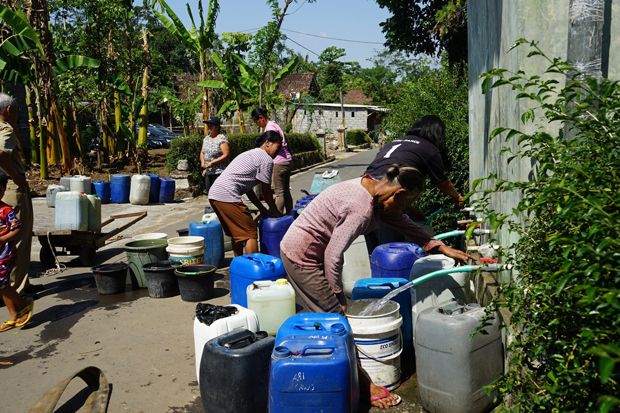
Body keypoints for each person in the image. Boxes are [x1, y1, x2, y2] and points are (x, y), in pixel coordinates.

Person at [280, 165, 474, 409]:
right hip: (303, 255)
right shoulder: (360, 207)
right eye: (405, 203)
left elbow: (404, 223)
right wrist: (338, 294)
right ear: (399, 193)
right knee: (338, 321)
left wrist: (438, 246)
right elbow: (333, 255)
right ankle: (363, 385)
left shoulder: (374, 189)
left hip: (308, 250)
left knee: (324, 317)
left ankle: (320, 371)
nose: (403, 209)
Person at [364, 115, 465, 251]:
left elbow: (397, 189)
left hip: (366, 189)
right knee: (392, 250)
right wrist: (457, 197)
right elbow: (442, 183)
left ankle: (379, 269)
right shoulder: (429, 148)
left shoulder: (395, 142)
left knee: (377, 250)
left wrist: (410, 210)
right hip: (386, 195)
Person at [208, 131, 282, 256]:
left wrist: (261, 208)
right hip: (227, 195)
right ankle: (252, 269)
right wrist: (275, 210)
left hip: (215, 194)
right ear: (268, 143)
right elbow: (266, 190)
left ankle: (238, 265)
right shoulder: (266, 159)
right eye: (277, 147)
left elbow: (249, 191)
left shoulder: (251, 154)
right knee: (250, 232)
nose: (278, 151)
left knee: (236, 233)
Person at [0, 93, 32, 294]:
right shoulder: (5, 128)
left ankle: (15, 285)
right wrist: (16, 176)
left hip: (2, 185)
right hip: (12, 187)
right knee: (17, 235)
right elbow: (1, 153)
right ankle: (15, 289)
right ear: (9, 110)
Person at [0, 173, 34, 332]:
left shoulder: (6, 210)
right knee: (2, 285)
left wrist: (3, 239)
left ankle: (22, 304)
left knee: (1, 284)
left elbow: (17, 229)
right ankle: (13, 314)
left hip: (5, 253)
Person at [251, 108, 293, 215]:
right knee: (285, 191)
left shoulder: (269, 128)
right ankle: (289, 215)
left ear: (261, 118)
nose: (257, 124)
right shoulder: (274, 124)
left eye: (257, 121)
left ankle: (277, 217)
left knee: (279, 193)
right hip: (287, 160)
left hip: (279, 162)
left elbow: (273, 146)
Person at [200, 116, 230, 194]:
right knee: (210, 193)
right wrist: (202, 162)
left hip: (219, 172)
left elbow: (226, 154)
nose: (209, 127)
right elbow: (202, 152)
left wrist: (213, 163)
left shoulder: (221, 138)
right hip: (208, 172)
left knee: (219, 194)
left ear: (217, 127)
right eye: (208, 125)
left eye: (211, 125)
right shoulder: (206, 138)